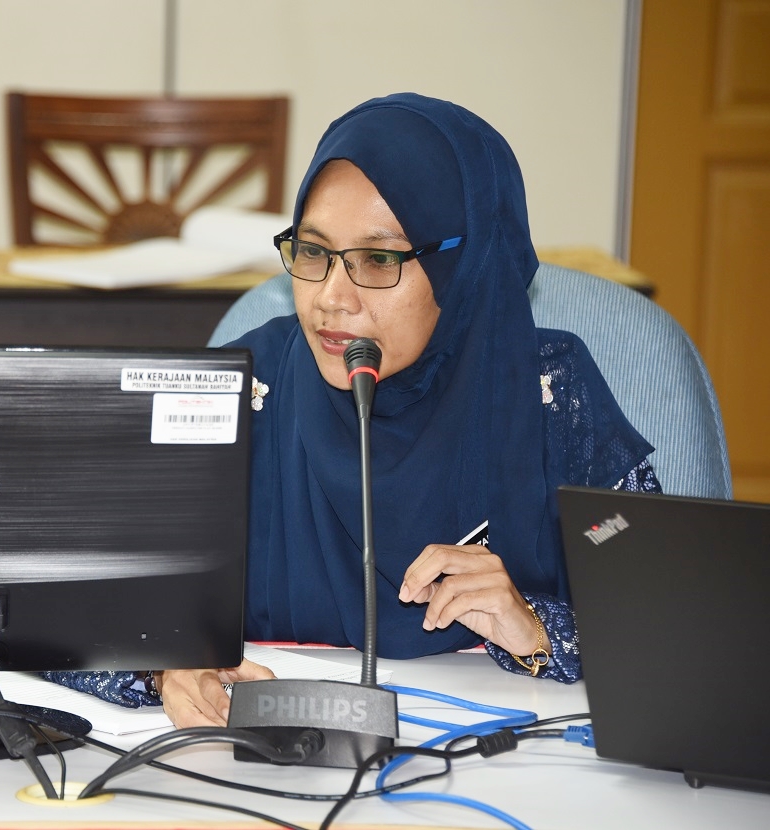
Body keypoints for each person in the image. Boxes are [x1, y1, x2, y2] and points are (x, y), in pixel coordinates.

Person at [140, 92, 663, 727]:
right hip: (264, 757)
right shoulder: (246, 391)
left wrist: (536, 626)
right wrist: (162, 663)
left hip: (499, 757)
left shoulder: (547, 392)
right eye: (313, 251)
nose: (332, 298)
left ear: (462, 269)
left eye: (379, 259)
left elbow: (658, 596)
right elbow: (70, 585)